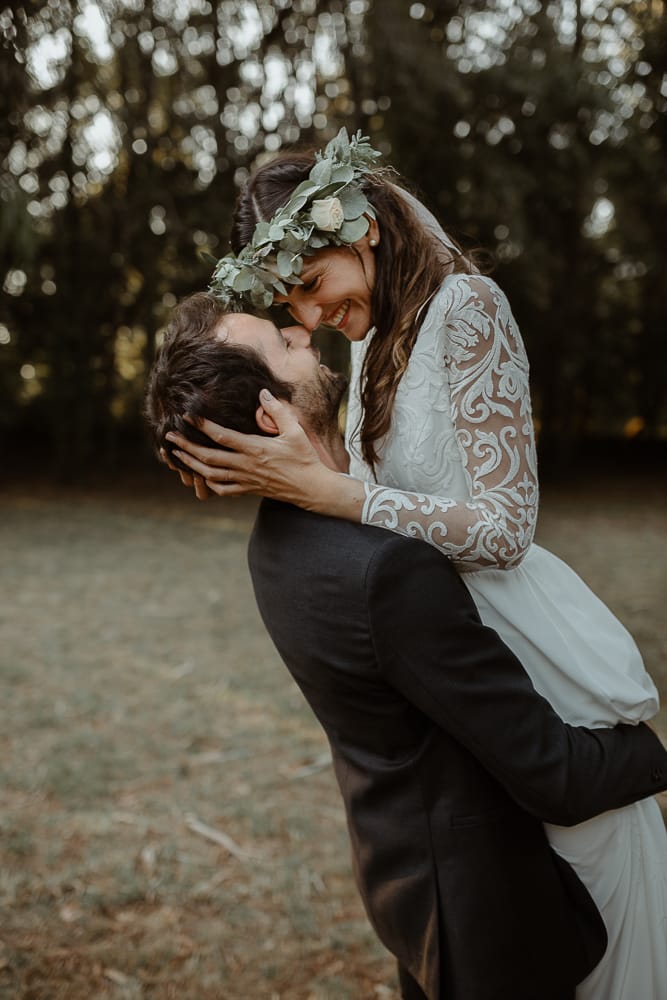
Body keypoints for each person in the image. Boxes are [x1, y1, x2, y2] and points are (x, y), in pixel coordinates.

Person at [145, 292, 667, 1000]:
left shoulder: (274, 548)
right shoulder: (386, 568)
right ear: (273, 415)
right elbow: (555, 777)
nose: (304, 333)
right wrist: (650, 752)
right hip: (493, 919)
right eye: (282, 342)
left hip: (404, 878)